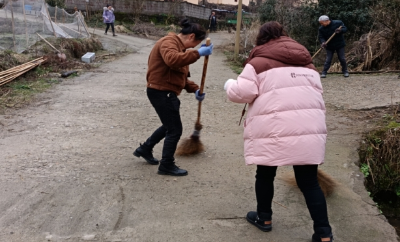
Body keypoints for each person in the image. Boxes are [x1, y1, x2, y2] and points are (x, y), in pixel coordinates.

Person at [224, 21, 333, 242]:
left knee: (265, 174)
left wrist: (229, 84)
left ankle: (264, 218)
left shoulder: (257, 63)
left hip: (273, 128)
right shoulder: (308, 65)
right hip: (308, 128)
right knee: (309, 182)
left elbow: (242, 93)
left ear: (261, 39)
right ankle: (324, 234)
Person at [133, 19, 213, 176]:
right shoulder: (169, 42)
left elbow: (180, 77)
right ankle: (166, 165)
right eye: (195, 44)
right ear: (191, 36)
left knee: (168, 125)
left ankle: (145, 149)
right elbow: (172, 60)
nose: (194, 47)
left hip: (164, 91)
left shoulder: (179, 47)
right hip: (162, 92)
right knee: (175, 129)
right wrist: (197, 54)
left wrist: (195, 89)